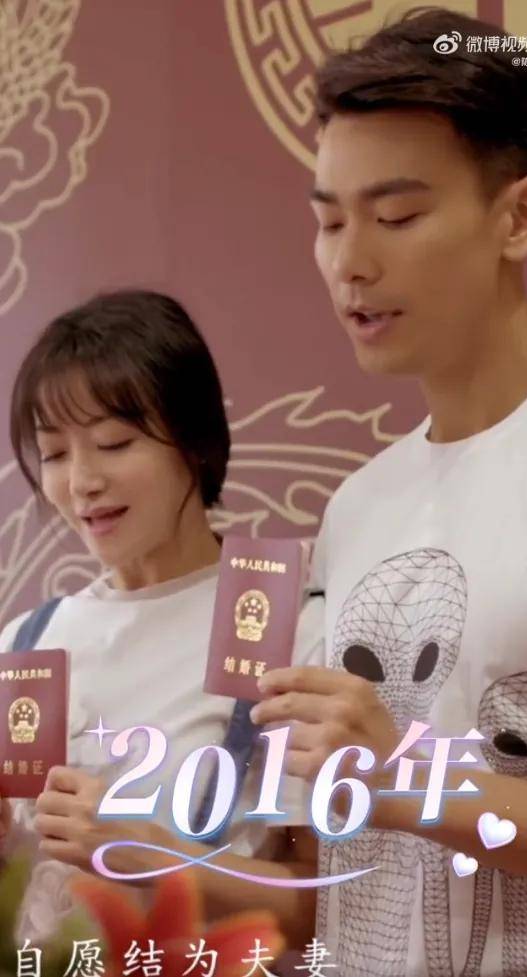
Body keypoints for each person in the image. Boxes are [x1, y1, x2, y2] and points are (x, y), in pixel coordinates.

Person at [250, 7, 527, 977]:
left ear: (520, 216)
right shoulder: (358, 505)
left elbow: (397, 786)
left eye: (395, 216)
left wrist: (406, 780)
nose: (349, 260)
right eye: (328, 220)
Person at [0, 289, 322, 949]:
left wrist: (148, 850)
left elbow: (317, 907)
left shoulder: (282, 627)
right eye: (54, 454)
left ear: (195, 439)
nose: (82, 481)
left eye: (113, 443)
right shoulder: (28, 641)